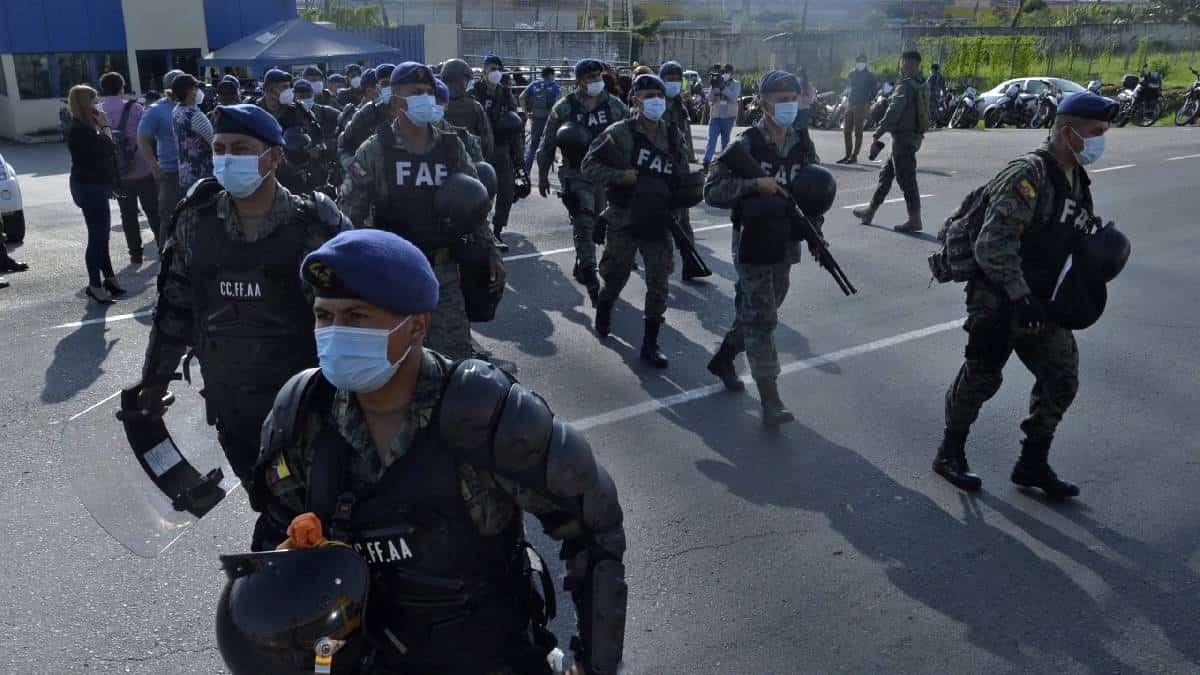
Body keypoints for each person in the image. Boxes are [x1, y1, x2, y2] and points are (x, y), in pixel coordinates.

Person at [249, 228, 627, 674]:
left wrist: (593, 664)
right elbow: (273, 538)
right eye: (324, 316)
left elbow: (593, 520)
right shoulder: (304, 414)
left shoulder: (485, 414)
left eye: (356, 316)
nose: (335, 332)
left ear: (416, 325)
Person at [138, 104, 349, 500]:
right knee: (265, 499)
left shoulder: (313, 224)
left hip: (307, 409)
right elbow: (174, 309)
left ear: (274, 156)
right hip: (233, 406)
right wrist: (154, 380)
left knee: (319, 506)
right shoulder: (195, 222)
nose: (227, 158)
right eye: (219, 149)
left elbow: (352, 318)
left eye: (240, 147)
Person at [933, 92, 1118, 499]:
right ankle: (950, 452)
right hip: (1000, 297)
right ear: (1067, 132)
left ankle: (1032, 462)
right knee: (983, 377)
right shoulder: (1027, 175)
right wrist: (1019, 296)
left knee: (1061, 376)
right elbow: (992, 245)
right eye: (1095, 133)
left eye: (1104, 133)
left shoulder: (1077, 181)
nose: (1101, 140)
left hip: (1043, 301)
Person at [338, 62, 502, 361]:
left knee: (453, 360)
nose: (425, 97)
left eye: (428, 91)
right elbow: (350, 218)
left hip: (443, 274)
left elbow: (476, 207)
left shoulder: (452, 148)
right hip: (391, 273)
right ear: (397, 99)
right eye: (416, 92)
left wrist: (491, 252)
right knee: (393, 360)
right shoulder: (375, 150)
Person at [703, 70, 820, 427]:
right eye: (780, 99)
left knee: (764, 308)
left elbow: (812, 193)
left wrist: (816, 234)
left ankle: (724, 357)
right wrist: (755, 184)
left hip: (786, 240)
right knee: (763, 318)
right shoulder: (747, 144)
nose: (788, 105)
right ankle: (771, 399)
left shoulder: (802, 141)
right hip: (753, 241)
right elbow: (712, 190)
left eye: (792, 97)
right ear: (763, 103)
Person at [582, 74, 690, 368]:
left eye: (659, 94)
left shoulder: (672, 134)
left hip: (658, 219)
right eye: (648, 94)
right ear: (635, 99)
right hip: (624, 218)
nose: (655, 99)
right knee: (615, 277)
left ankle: (651, 342)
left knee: (659, 281)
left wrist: (681, 200)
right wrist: (622, 176)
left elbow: (681, 172)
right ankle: (604, 306)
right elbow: (589, 166)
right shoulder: (619, 132)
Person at [536, 59, 628, 303]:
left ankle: (582, 261)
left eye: (598, 76)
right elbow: (547, 144)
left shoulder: (615, 106)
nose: (595, 81)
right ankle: (591, 275)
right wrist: (543, 175)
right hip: (576, 173)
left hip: (607, 176)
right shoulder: (565, 107)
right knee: (584, 219)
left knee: (600, 224)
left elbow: (631, 135)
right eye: (589, 78)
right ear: (579, 81)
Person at [853, 50, 929, 233]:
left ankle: (914, 219)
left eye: (902, 63)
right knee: (886, 176)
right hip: (912, 136)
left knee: (907, 180)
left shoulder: (905, 86)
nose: (901, 67)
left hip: (902, 139)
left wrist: (878, 132)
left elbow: (894, 112)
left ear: (906, 64)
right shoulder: (922, 84)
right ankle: (870, 211)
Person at [66, 84, 125, 304]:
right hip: (88, 187)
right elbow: (108, 148)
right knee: (97, 236)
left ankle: (109, 278)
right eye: (93, 101)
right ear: (84, 104)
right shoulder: (79, 130)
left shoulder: (86, 127)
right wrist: (106, 126)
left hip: (94, 185)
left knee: (102, 235)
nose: (97, 104)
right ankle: (94, 284)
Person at [659, 60, 711, 282]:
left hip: (678, 170)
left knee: (683, 219)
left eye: (675, 79)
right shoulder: (654, 102)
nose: (672, 83)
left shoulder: (680, 105)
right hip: (657, 169)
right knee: (655, 220)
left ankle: (690, 262)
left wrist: (691, 158)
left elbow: (686, 131)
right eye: (667, 79)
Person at [99, 71, 158, 264]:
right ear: (121, 88)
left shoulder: (97, 112)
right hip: (142, 168)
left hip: (118, 174)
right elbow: (149, 135)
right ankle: (163, 247)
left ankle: (135, 254)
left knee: (128, 214)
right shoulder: (135, 109)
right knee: (153, 211)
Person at [471, 54, 522, 251]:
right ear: (483, 70)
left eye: (498, 69)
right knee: (483, 193)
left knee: (506, 192)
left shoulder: (506, 93)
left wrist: (518, 155)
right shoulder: (475, 92)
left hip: (502, 147)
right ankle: (480, 231)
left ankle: (498, 230)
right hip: (481, 150)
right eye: (491, 68)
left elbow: (516, 123)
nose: (495, 72)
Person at [254, 69, 322, 195]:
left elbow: (315, 133)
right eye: (284, 87)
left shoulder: (297, 110)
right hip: (261, 174)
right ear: (270, 90)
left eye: (289, 86)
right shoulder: (253, 111)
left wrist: (312, 150)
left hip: (293, 174)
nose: (289, 91)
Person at [138, 69, 183, 243]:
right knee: (169, 217)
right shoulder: (155, 110)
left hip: (194, 172)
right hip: (170, 173)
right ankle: (166, 258)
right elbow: (142, 138)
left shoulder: (192, 103)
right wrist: (153, 165)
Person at [337, 64, 394, 169]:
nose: (390, 89)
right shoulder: (361, 115)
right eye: (385, 84)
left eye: (393, 84)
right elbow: (343, 146)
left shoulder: (403, 112)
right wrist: (356, 170)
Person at [441, 58, 495, 162]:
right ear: (461, 80)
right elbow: (487, 143)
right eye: (466, 80)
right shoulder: (475, 106)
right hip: (470, 164)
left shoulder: (435, 105)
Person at [169, 74, 214, 193]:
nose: (198, 91)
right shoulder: (194, 115)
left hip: (186, 173)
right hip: (202, 175)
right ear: (189, 91)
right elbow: (214, 142)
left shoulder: (177, 110)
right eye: (195, 88)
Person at [837, 54, 878, 165]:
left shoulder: (870, 76)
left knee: (858, 132)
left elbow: (874, 90)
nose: (861, 63)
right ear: (856, 62)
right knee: (846, 131)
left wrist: (868, 101)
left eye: (863, 61)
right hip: (850, 103)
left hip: (862, 104)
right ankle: (847, 155)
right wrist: (844, 95)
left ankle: (854, 156)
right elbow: (848, 87)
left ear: (866, 62)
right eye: (859, 61)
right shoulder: (851, 73)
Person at [521, 66, 561, 173]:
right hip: (550, 119)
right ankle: (544, 172)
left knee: (533, 145)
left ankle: (526, 171)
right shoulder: (555, 87)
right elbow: (558, 103)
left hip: (536, 117)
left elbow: (521, 97)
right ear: (551, 75)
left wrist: (526, 113)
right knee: (550, 144)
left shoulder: (534, 84)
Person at [702, 64, 741, 170]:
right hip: (715, 115)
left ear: (732, 73)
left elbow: (733, 97)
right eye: (724, 71)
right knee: (712, 140)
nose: (726, 73)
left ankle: (724, 163)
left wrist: (723, 88)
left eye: (728, 71)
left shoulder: (736, 84)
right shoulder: (716, 82)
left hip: (728, 116)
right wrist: (715, 90)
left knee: (725, 141)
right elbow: (709, 99)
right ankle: (706, 162)